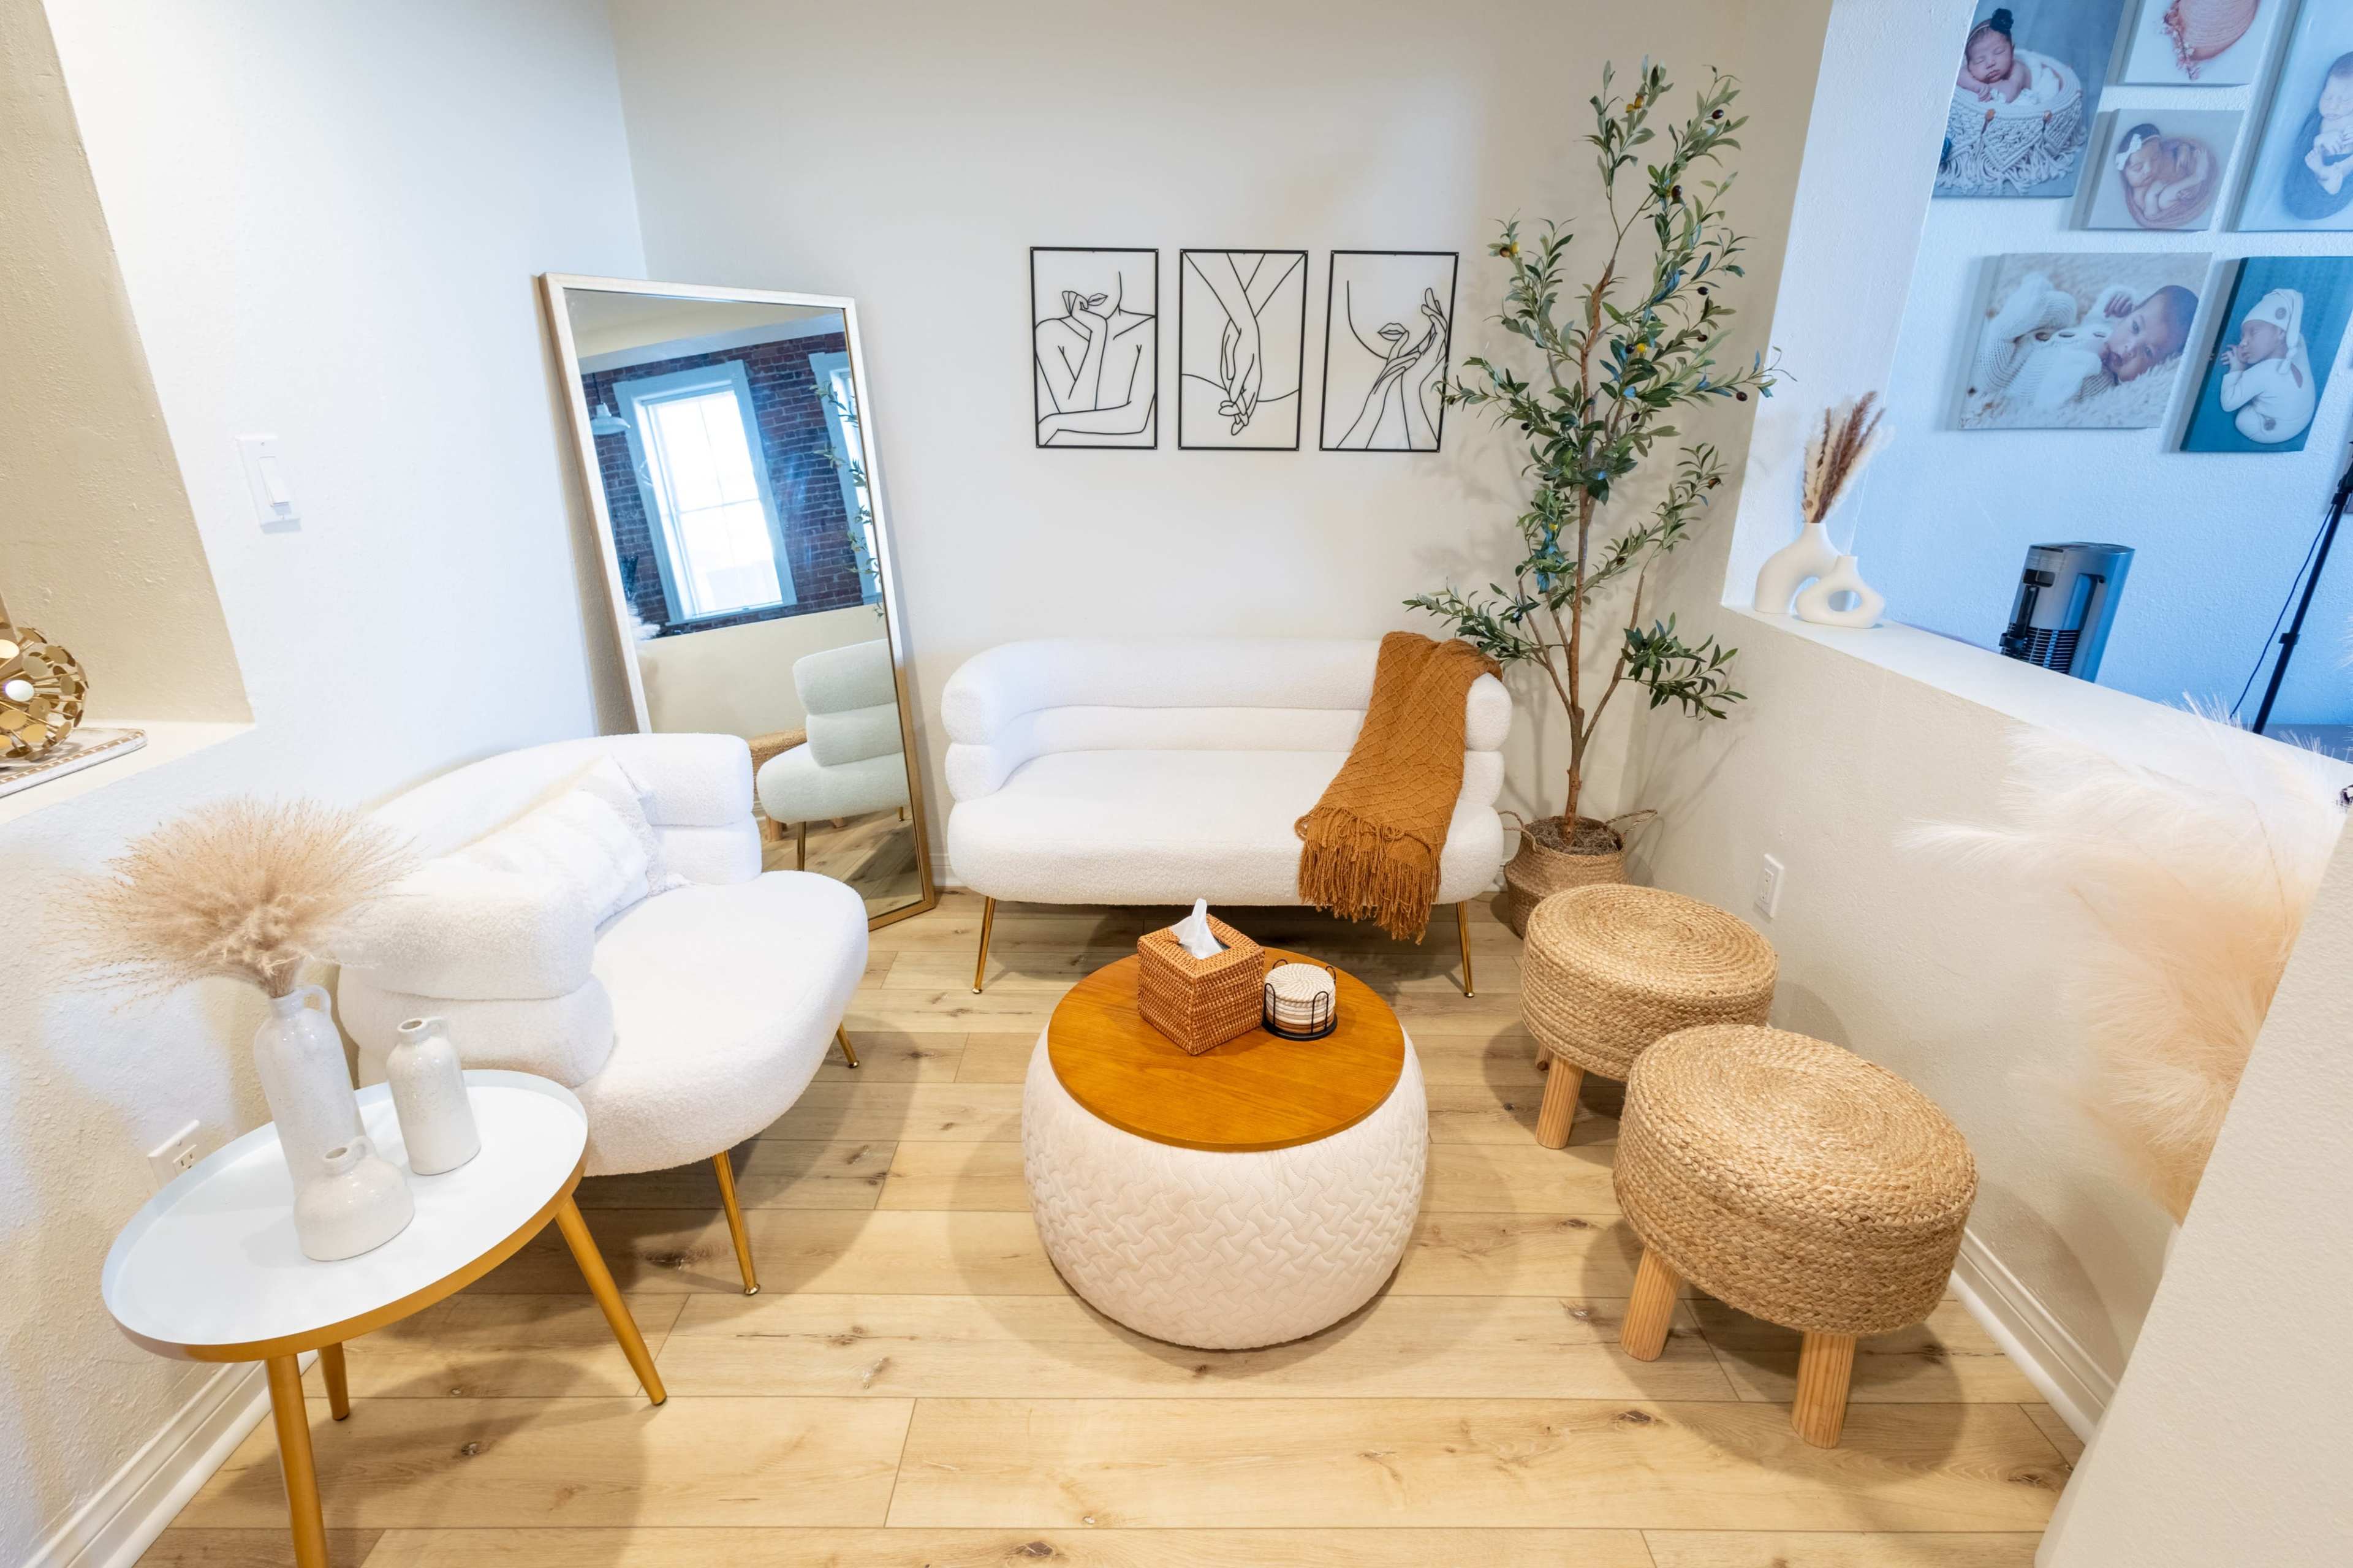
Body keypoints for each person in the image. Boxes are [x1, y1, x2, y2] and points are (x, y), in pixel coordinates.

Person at [1966, 272, 2199, 418]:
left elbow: (2049, 402)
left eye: (2148, 352)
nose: (2130, 347)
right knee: (2067, 306)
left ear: (2159, 365)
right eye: (2135, 327)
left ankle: (2008, 321)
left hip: (2007, 374)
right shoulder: (2109, 332)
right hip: (2038, 336)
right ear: (2131, 314)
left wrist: (2084, 358)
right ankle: (2025, 310)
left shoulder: (2100, 384)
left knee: (1988, 369)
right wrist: (2119, 298)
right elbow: (2098, 316)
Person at [1035, 271, 1155, 445]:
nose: (1092, 286)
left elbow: (1135, 419)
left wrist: (1056, 422)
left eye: (1105, 270)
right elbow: (1076, 410)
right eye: (1079, 271)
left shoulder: (1148, 328)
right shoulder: (1050, 331)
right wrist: (1098, 333)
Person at [2218, 287, 2317, 445]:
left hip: (2271, 430)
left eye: (2253, 332)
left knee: (2243, 420)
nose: (2243, 342)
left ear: (2281, 334)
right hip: (2300, 419)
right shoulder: (2298, 358)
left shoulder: (2263, 372)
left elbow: (2229, 404)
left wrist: (2237, 368)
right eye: (2243, 335)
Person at [2284, 51, 2353, 222]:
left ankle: (2327, 177)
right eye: (2328, 96)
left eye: (2346, 101)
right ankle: (2322, 174)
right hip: (2316, 165)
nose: (2333, 106)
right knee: (2306, 184)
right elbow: (2304, 147)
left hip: (2343, 169)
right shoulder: (2317, 120)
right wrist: (2321, 140)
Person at [1957, 9, 2031, 104]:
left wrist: (1989, 88)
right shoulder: (1968, 68)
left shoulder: (2017, 69)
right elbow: (1958, 76)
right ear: (1969, 65)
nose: (1990, 63)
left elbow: (2008, 96)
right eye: (1980, 60)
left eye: (1998, 52)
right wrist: (1976, 86)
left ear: (2012, 52)